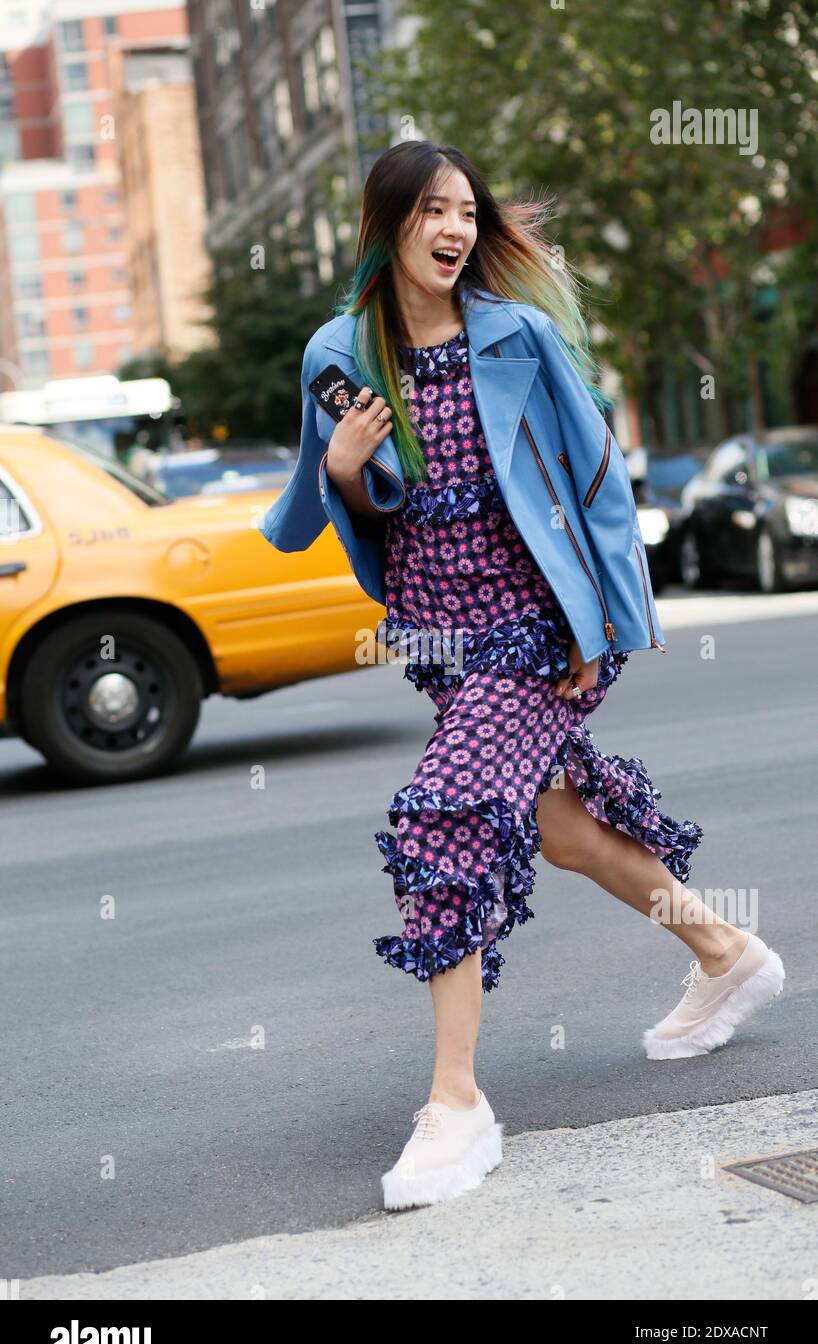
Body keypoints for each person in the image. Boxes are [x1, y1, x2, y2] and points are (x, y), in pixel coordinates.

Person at [258, 141, 786, 1212]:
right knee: (558, 826)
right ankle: (725, 951)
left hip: (539, 630)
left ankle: (455, 1104)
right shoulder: (339, 351)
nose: (454, 228)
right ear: (387, 223)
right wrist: (346, 472)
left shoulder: (516, 333)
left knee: (444, 814)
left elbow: (592, 476)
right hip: (444, 644)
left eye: (465, 210)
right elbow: (351, 508)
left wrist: (602, 619)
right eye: (431, 211)